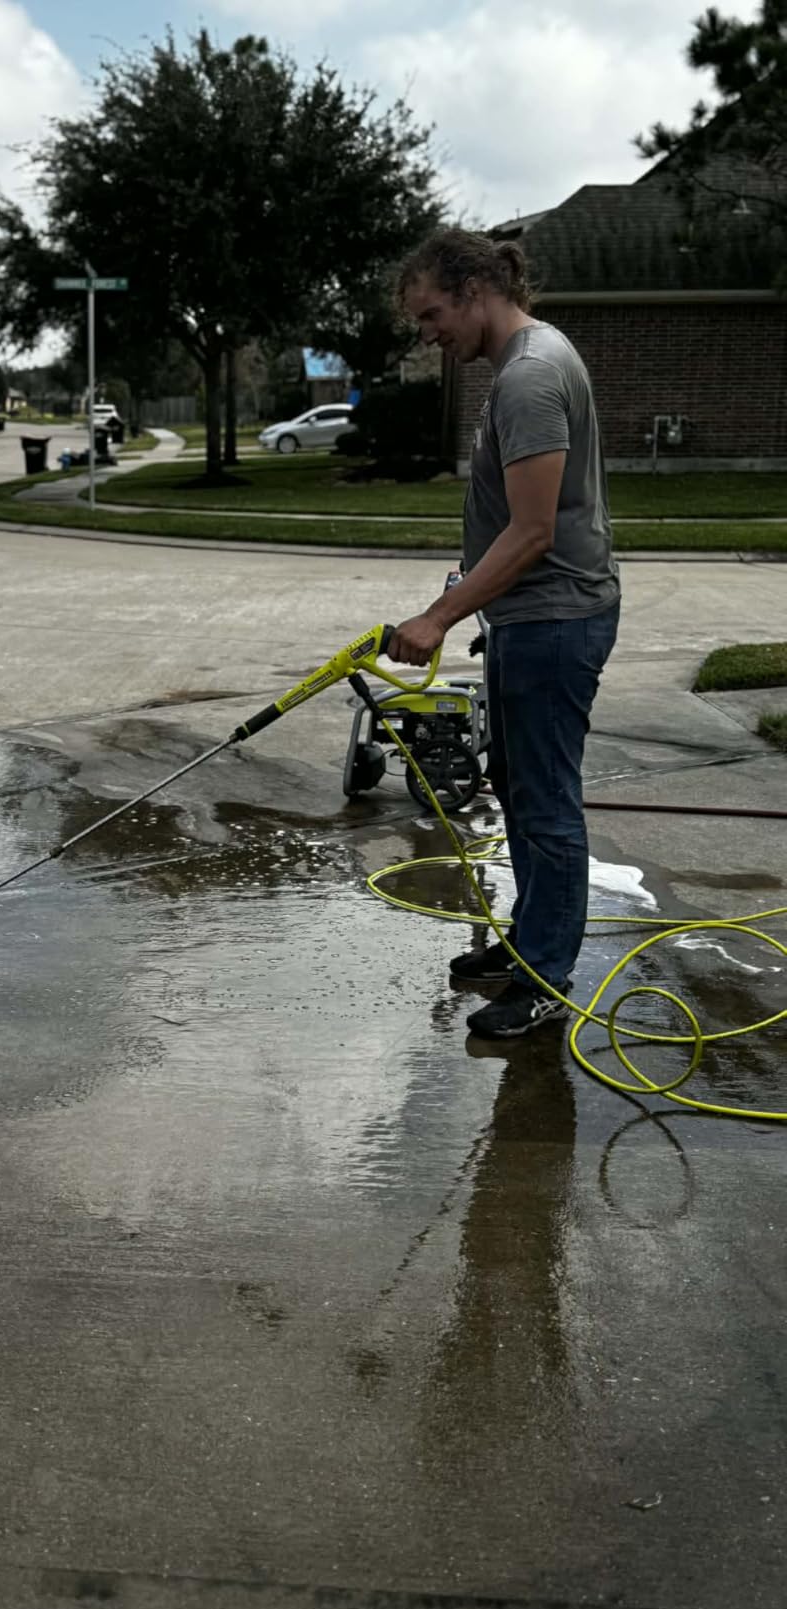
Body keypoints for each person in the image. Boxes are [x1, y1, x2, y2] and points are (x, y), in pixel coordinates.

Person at [389, 228, 620, 1040]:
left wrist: (438, 619)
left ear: (476, 289)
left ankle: (545, 979)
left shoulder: (529, 377)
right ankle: (531, 946)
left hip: (556, 619)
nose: (428, 334)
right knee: (522, 791)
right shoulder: (522, 368)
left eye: (431, 314)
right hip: (531, 616)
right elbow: (513, 530)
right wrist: (461, 590)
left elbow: (532, 536)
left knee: (547, 805)